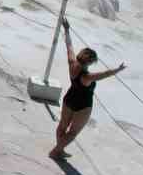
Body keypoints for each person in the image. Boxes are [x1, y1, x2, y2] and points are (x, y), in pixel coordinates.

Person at [49, 21, 126, 160]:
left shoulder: (72, 63)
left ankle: (59, 150)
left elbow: (69, 45)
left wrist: (67, 30)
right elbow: (104, 74)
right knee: (73, 132)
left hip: (69, 99)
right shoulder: (87, 77)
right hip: (83, 106)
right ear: (89, 62)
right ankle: (56, 151)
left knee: (62, 126)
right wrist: (119, 69)